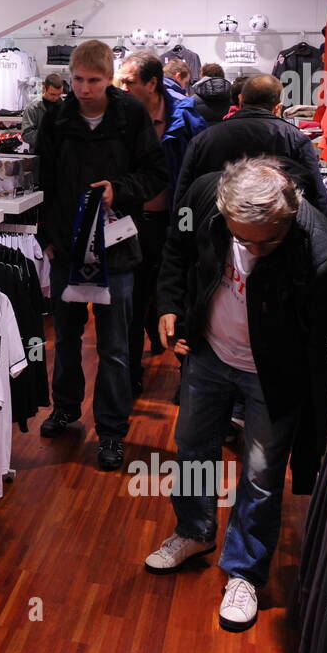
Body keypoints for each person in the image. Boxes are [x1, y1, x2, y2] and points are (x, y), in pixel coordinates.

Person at [148, 157, 327, 631]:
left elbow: (323, 348)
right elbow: (177, 251)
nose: (255, 250)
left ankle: (245, 571)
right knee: (193, 447)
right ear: (223, 210)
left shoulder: (322, 253)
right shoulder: (201, 195)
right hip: (208, 354)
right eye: (243, 240)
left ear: (291, 213)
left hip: (273, 375)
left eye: (269, 240)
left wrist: (315, 424)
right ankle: (194, 530)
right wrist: (171, 305)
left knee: (260, 474)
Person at [36, 41, 168, 471]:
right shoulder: (57, 117)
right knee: (67, 339)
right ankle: (66, 407)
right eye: (78, 80)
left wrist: (120, 190)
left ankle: (112, 429)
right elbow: (46, 181)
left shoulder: (130, 115)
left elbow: (154, 174)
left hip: (119, 248)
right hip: (65, 248)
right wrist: (47, 237)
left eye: (94, 80)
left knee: (113, 346)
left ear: (109, 79)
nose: (84, 88)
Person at [116, 53, 207, 397]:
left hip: (178, 221)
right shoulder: (120, 118)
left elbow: (199, 167)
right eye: (119, 81)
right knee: (132, 300)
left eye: (128, 82)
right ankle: (130, 374)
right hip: (133, 222)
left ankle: (189, 380)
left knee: (181, 297)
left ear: (151, 84)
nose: (120, 87)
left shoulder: (186, 115)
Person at [174, 73, 327, 219]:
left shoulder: (203, 140)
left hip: (215, 233)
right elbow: (317, 196)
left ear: (240, 100)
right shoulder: (295, 138)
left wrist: (182, 232)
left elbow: (184, 195)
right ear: (278, 107)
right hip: (276, 234)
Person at [21, 73, 65, 151]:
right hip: (40, 156)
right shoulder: (33, 108)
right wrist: (48, 134)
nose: (56, 98)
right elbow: (26, 135)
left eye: (59, 94)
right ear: (44, 88)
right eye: (52, 94)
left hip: (61, 157)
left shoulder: (65, 107)